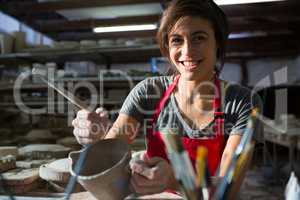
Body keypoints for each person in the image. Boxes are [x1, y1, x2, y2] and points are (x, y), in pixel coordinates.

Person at [72, 0, 263, 195]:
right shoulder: (148, 92)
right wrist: (96, 137)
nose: (187, 51)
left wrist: (176, 179)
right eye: (177, 40)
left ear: (218, 44)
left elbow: (229, 186)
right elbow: (110, 154)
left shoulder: (242, 102)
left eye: (199, 38)